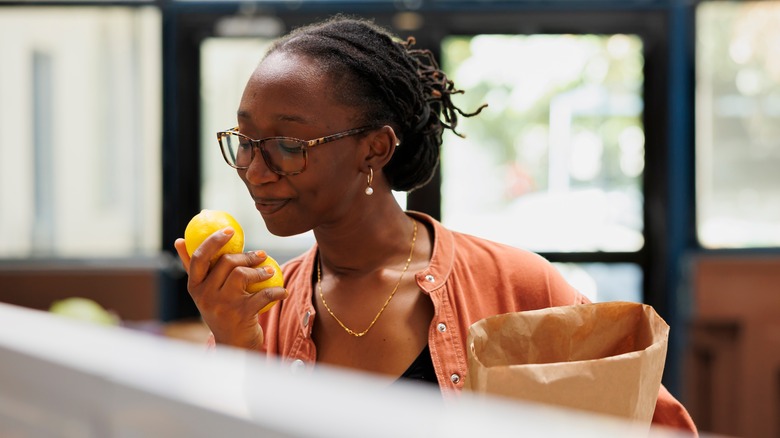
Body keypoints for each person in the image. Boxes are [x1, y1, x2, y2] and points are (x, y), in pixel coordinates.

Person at [174, 15, 697, 434]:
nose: (255, 170)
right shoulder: (265, 306)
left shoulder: (516, 285)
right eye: (245, 141)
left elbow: (653, 423)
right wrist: (235, 342)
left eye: (289, 145)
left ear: (374, 149)